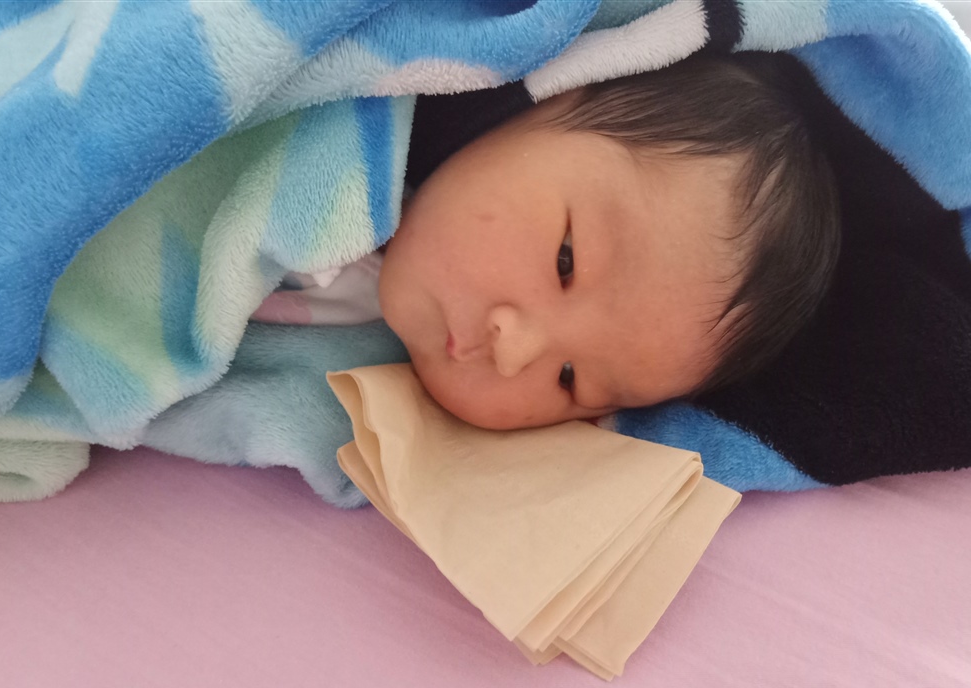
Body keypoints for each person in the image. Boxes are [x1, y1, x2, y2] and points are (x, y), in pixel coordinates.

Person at [258, 52, 841, 430]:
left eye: (570, 381)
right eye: (565, 262)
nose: (513, 353)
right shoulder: (343, 119)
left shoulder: (349, 377)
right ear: (556, 91)